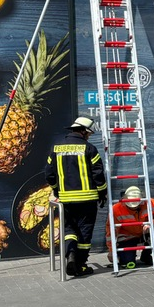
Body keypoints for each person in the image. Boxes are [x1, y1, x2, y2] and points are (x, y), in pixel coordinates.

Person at [47, 116, 107, 277]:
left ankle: (70, 255)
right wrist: (102, 193)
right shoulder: (90, 149)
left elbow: (49, 174)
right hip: (88, 200)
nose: (89, 136)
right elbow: (98, 175)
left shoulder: (56, 148)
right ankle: (80, 265)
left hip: (66, 200)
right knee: (85, 231)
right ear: (83, 131)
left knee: (69, 229)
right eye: (88, 133)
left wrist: (56, 190)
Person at [108, 185, 154, 268]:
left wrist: (150, 223)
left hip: (144, 232)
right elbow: (111, 231)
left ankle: (146, 254)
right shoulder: (116, 209)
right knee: (128, 262)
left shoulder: (150, 203)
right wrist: (111, 250)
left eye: (136, 205)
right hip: (127, 237)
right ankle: (123, 256)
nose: (134, 207)